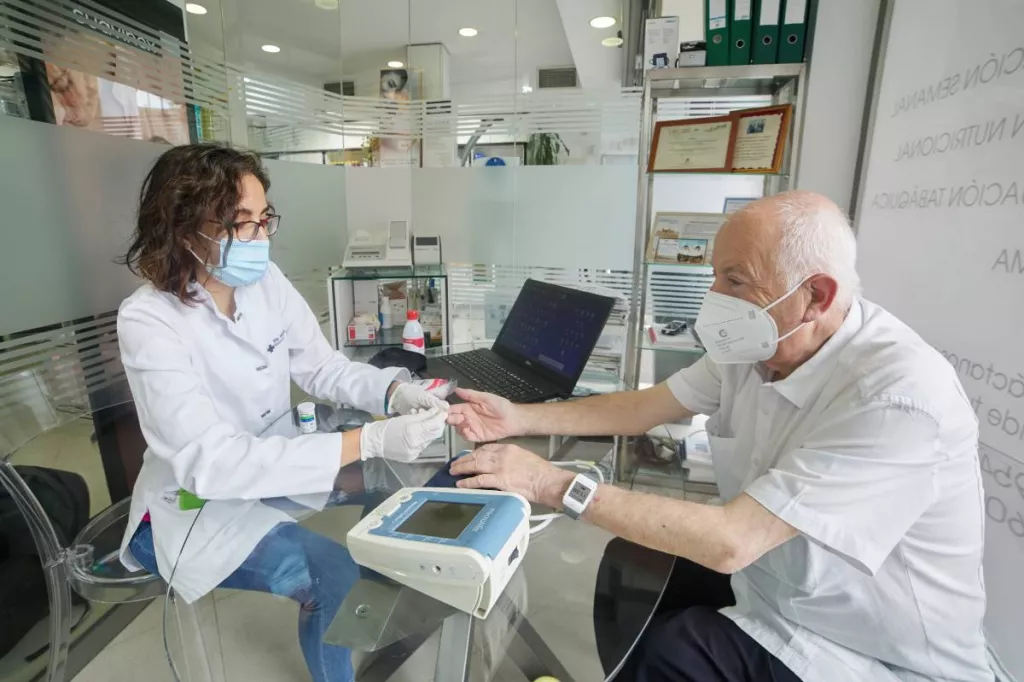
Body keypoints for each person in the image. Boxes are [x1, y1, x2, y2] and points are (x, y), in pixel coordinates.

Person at [446, 191, 992, 682]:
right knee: (632, 566)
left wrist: (549, 482)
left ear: (815, 296)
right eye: (715, 275)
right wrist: (519, 417)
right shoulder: (758, 345)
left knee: (674, 651)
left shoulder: (900, 395)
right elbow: (645, 407)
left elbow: (733, 541)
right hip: (780, 590)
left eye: (735, 280)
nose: (714, 296)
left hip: (868, 651)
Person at [116, 143, 448, 682]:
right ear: (183, 230)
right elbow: (213, 464)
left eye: (263, 218)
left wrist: (394, 393)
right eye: (239, 223)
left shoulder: (263, 282)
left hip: (273, 467)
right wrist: (367, 441)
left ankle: (372, 614)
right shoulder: (148, 321)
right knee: (329, 570)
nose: (261, 237)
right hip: (195, 505)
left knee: (401, 486)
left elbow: (322, 368)